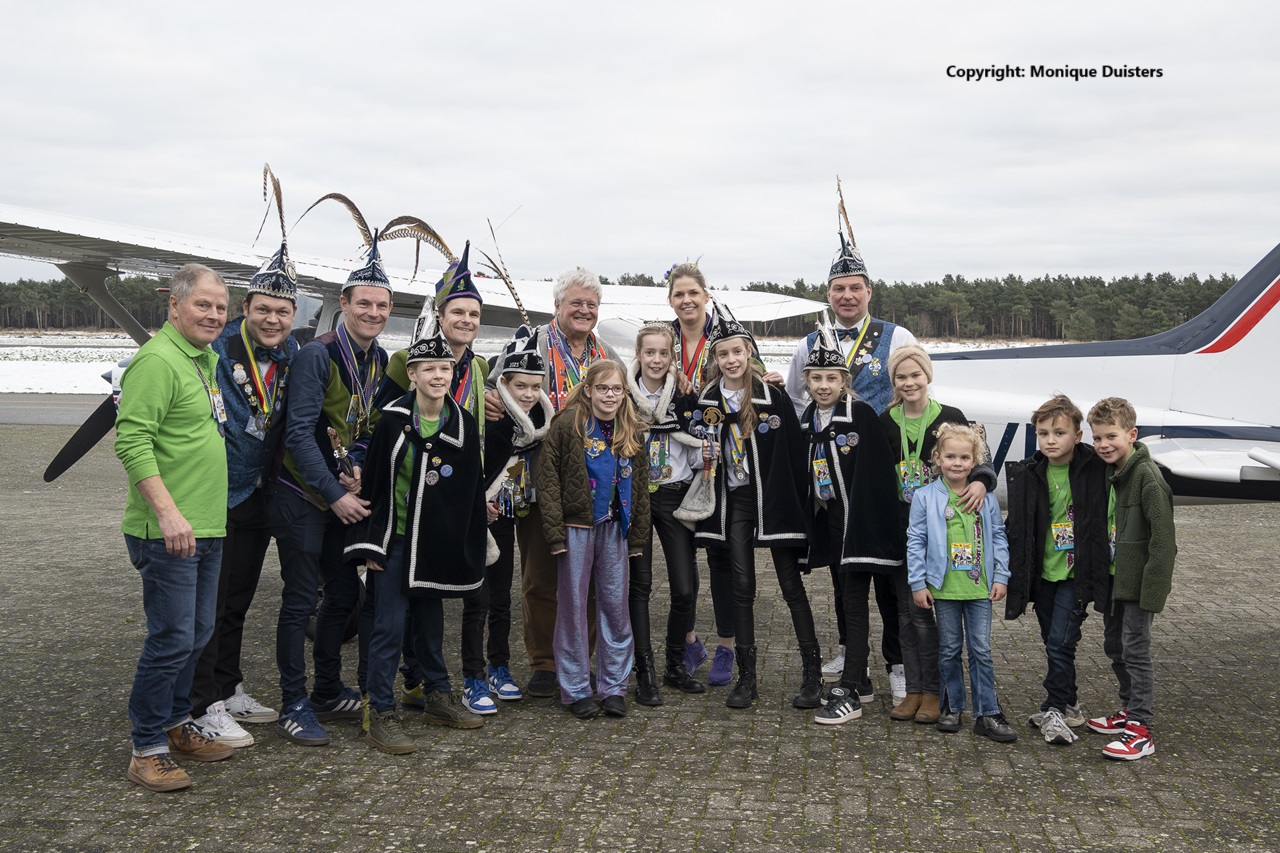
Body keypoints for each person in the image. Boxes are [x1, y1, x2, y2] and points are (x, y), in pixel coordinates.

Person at [115, 263, 235, 791]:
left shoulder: (204, 360)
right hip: (168, 531)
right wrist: (166, 512)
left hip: (206, 527)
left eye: (220, 307)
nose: (213, 315)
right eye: (203, 305)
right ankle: (147, 748)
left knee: (197, 635)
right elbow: (131, 441)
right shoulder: (158, 361)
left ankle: (177, 725)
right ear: (175, 306)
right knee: (171, 640)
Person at [785, 231, 918, 698]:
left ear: (868, 292)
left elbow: (914, 385)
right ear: (828, 294)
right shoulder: (810, 342)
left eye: (855, 287)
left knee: (886, 570)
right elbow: (797, 400)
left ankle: (899, 660)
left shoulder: (895, 335)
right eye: (839, 288)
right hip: (834, 476)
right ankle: (849, 647)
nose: (846, 295)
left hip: (883, 470)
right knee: (844, 569)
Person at [269, 234, 390, 745]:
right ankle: (293, 701)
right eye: (363, 303)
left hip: (340, 491)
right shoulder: (318, 356)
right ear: (343, 304)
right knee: (300, 602)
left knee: (343, 594)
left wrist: (357, 470)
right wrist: (334, 491)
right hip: (301, 494)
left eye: (382, 305)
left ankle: (325, 689)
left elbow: (363, 428)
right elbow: (298, 435)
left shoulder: (379, 358)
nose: (373, 312)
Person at [482, 267, 624, 698]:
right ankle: (544, 661)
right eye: (575, 303)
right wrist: (491, 397)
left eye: (591, 305)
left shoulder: (609, 355)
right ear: (557, 305)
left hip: (597, 482)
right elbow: (496, 384)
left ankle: (583, 657)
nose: (584, 310)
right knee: (542, 573)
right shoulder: (531, 343)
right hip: (539, 475)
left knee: (594, 577)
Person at [347, 328, 488, 753]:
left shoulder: (462, 422)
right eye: (429, 368)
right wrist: (370, 544)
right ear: (412, 374)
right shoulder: (392, 420)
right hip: (396, 538)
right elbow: (372, 484)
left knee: (430, 623)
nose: (438, 375)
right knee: (389, 625)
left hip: (435, 543)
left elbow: (468, 494)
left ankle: (438, 695)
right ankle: (379, 709)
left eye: (445, 368)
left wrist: (463, 544)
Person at [375, 243, 494, 717]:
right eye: (457, 312)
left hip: (448, 503)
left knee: (429, 606)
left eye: (473, 313)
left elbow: (477, 433)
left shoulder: (479, 368)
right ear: (441, 314)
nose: (466, 320)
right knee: (391, 616)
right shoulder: (406, 359)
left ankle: (432, 687)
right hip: (401, 508)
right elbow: (381, 426)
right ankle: (391, 696)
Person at [190, 240, 300, 746]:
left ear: (293, 314)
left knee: (238, 599)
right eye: (263, 310)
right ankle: (202, 705)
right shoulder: (214, 351)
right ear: (246, 309)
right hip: (216, 493)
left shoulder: (294, 353)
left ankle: (228, 686)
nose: (272, 320)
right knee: (209, 605)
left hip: (259, 493)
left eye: (281, 311)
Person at [682, 313, 816, 710]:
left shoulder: (772, 396)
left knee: (791, 587)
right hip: (734, 500)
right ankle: (748, 678)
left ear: (749, 353)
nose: (731, 360)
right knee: (742, 588)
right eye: (723, 354)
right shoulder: (707, 398)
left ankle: (811, 676)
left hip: (772, 499)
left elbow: (794, 452)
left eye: (737, 352)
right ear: (715, 358)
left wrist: (800, 506)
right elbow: (693, 445)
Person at [879, 345, 995, 725]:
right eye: (901, 376)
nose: (909, 382)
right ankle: (913, 689)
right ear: (893, 381)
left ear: (928, 376)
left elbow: (982, 455)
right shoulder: (885, 420)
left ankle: (935, 692)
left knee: (928, 617)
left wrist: (982, 481)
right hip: (901, 528)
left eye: (916, 375)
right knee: (905, 613)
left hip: (943, 533)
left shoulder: (950, 416)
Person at [798, 324, 904, 725]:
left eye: (831, 378)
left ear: (844, 381)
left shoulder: (859, 414)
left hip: (863, 526)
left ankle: (853, 689)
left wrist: (865, 527)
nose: (823, 386)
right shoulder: (809, 419)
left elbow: (875, 476)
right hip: (834, 526)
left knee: (864, 601)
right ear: (806, 382)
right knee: (845, 599)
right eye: (816, 379)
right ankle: (859, 678)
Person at [538, 359, 651, 719]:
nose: (610, 395)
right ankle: (574, 688)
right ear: (588, 390)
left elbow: (642, 490)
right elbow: (548, 481)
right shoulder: (567, 424)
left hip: (615, 528)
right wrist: (555, 532)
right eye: (603, 388)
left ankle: (614, 686)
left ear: (625, 392)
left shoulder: (631, 427)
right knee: (573, 608)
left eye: (617, 389)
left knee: (616, 609)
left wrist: (638, 538)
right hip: (577, 527)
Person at [1003, 395, 1109, 746]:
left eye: (1059, 432)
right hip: (1043, 574)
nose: (1050, 440)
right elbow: (1016, 524)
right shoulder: (1030, 472)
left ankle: (1055, 708)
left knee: (1061, 643)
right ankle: (1073, 704)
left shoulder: (1097, 468)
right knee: (1054, 641)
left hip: (1076, 575)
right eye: (1043, 433)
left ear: (1078, 436)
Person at [907, 423, 1016, 743]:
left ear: (975, 461)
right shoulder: (925, 497)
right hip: (944, 588)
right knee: (950, 649)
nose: (957, 462)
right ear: (937, 458)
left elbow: (998, 536)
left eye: (964, 457)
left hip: (980, 587)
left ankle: (987, 712)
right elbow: (915, 541)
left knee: (981, 650)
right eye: (950, 456)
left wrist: (1001, 575)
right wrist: (917, 582)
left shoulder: (986, 497)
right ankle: (953, 707)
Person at [1084, 397, 1176, 760]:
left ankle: (1141, 727)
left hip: (1138, 586)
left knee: (1136, 651)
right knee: (1115, 646)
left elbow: (1164, 545)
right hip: (1114, 580)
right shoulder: (1111, 472)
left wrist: (1153, 595)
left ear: (1132, 434)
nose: (1104, 444)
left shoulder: (1148, 480)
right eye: (1097, 438)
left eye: (1111, 436)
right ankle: (1127, 710)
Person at [467, 327, 554, 707]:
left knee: (505, 594)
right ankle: (476, 673)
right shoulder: (487, 415)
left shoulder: (540, 418)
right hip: (489, 508)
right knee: (485, 592)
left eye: (536, 387)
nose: (529, 394)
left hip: (520, 503)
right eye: (521, 386)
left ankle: (499, 665)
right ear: (503, 382)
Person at [627, 323, 708, 705]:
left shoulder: (684, 397)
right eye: (649, 353)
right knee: (639, 586)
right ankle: (644, 673)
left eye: (664, 354)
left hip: (675, 495)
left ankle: (675, 664)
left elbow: (694, 447)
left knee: (684, 586)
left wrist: (705, 457)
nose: (656, 360)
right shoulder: (624, 395)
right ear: (638, 355)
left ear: (672, 358)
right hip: (637, 497)